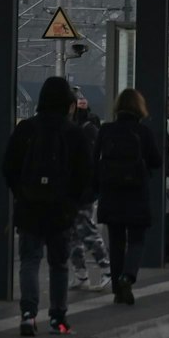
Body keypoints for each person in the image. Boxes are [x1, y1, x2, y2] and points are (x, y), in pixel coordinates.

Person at [2, 76, 93, 336]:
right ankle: (58, 318)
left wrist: (21, 192)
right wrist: (72, 201)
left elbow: (8, 166)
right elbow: (85, 173)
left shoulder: (26, 129)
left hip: (29, 205)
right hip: (60, 208)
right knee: (58, 263)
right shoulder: (73, 133)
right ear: (68, 103)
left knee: (30, 260)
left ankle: (29, 315)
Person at [95, 88, 162, 306]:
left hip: (111, 193)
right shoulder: (143, 132)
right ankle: (128, 277)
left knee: (115, 242)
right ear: (139, 107)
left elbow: (94, 159)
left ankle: (117, 289)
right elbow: (157, 161)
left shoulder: (106, 130)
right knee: (136, 240)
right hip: (136, 193)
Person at [68, 95, 111, 290]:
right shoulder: (86, 129)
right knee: (75, 233)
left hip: (82, 189)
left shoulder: (85, 130)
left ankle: (105, 269)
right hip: (80, 188)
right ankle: (81, 274)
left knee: (86, 231)